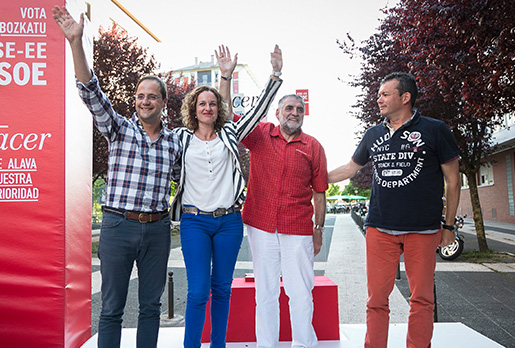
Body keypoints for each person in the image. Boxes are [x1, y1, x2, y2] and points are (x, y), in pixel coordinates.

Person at [52, 7, 182, 348]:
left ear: (163, 102)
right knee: (111, 308)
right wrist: (76, 43)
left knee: (151, 307)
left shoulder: (175, 141)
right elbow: (90, 90)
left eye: (152, 96)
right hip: (117, 226)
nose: (144, 101)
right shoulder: (119, 129)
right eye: (140, 96)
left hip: (156, 229)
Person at [327, 72, 460, 348]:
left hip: (422, 228)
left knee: (422, 299)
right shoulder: (373, 134)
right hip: (380, 228)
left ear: (405, 97)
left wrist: (448, 227)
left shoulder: (435, 130)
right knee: (376, 299)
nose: (379, 99)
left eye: (385, 94)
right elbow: (351, 168)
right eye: (378, 95)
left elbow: (454, 181)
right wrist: (314, 176)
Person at [171, 45, 283, 348]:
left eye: (212, 104)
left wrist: (274, 74)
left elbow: (259, 109)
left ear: (218, 108)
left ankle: (218, 345)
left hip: (229, 222)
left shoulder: (229, 134)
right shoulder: (180, 138)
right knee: (197, 292)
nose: (207, 108)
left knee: (222, 289)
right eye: (201, 104)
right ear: (193, 109)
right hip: (194, 222)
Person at [222, 81, 327, 347]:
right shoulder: (259, 135)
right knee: (265, 292)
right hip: (262, 226)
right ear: (278, 113)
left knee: (301, 292)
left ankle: (304, 344)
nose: (294, 112)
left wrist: (319, 230)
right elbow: (226, 114)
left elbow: (320, 192)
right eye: (289, 108)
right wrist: (226, 76)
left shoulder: (313, 146)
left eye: (299, 109)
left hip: (299, 228)